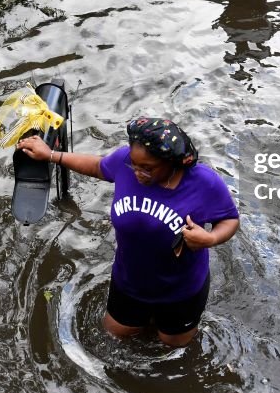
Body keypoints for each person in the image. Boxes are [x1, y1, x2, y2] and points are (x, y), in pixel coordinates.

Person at [17, 117, 239, 347]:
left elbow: (230, 219)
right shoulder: (126, 162)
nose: (137, 172)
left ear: (172, 163)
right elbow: (98, 166)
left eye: (147, 168)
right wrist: (52, 155)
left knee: (171, 348)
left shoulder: (203, 182)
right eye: (134, 164)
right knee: (114, 336)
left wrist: (210, 238)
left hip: (180, 292)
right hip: (129, 282)